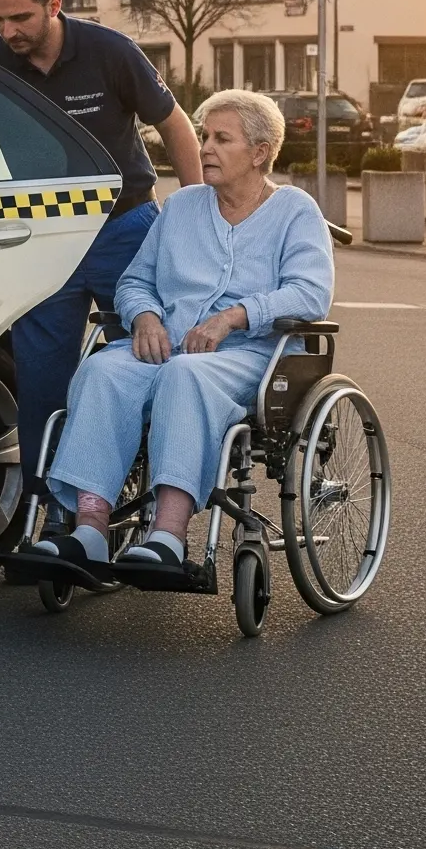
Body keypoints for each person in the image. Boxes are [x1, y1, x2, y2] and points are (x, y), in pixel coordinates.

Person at [33, 89, 333, 568]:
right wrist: (145, 316)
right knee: (101, 372)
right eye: (203, 136)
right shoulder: (181, 206)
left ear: (259, 153)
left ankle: (168, 535)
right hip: (168, 346)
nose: (205, 147)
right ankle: (89, 528)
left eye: (221, 138)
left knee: (185, 376)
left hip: (250, 355)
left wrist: (234, 316)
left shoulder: (295, 210)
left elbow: (310, 293)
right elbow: (135, 281)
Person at [0, 0, 201, 516]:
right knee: (42, 377)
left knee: (147, 358)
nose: (9, 32)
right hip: (44, 238)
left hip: (124, 227)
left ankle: (150, 498)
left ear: (54, 5)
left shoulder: (110, 51)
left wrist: (194, 208)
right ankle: (46, 515)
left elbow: (174, 125)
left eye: (21, 18)